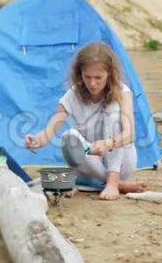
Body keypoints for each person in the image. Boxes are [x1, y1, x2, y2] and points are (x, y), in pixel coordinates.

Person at [24, 42, 146, 200]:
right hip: (91, 163)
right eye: (87, 77)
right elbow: (51, 128)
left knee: (114, 116)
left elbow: (129, 135)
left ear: (109, 74)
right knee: (69, 137)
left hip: (122, 162)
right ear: (79, 73)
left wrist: (107, 143)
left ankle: (113, 182)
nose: (92, 83)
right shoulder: (73, 94)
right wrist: (38, 140)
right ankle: (113, 184)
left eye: (98, 78)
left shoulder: (123, 93)